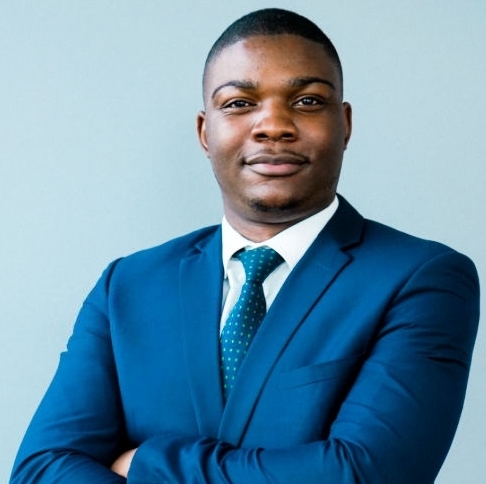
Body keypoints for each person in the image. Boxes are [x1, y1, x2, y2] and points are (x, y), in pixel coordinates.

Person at [10, 8, 479, 484]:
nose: (273, 125)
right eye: (238, 104)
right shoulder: (127, 286)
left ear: (345, 125)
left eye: (308, 101)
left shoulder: (422, 278)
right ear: (204, 132)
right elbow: (41, 469)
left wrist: (147, 462)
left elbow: (363, 475)